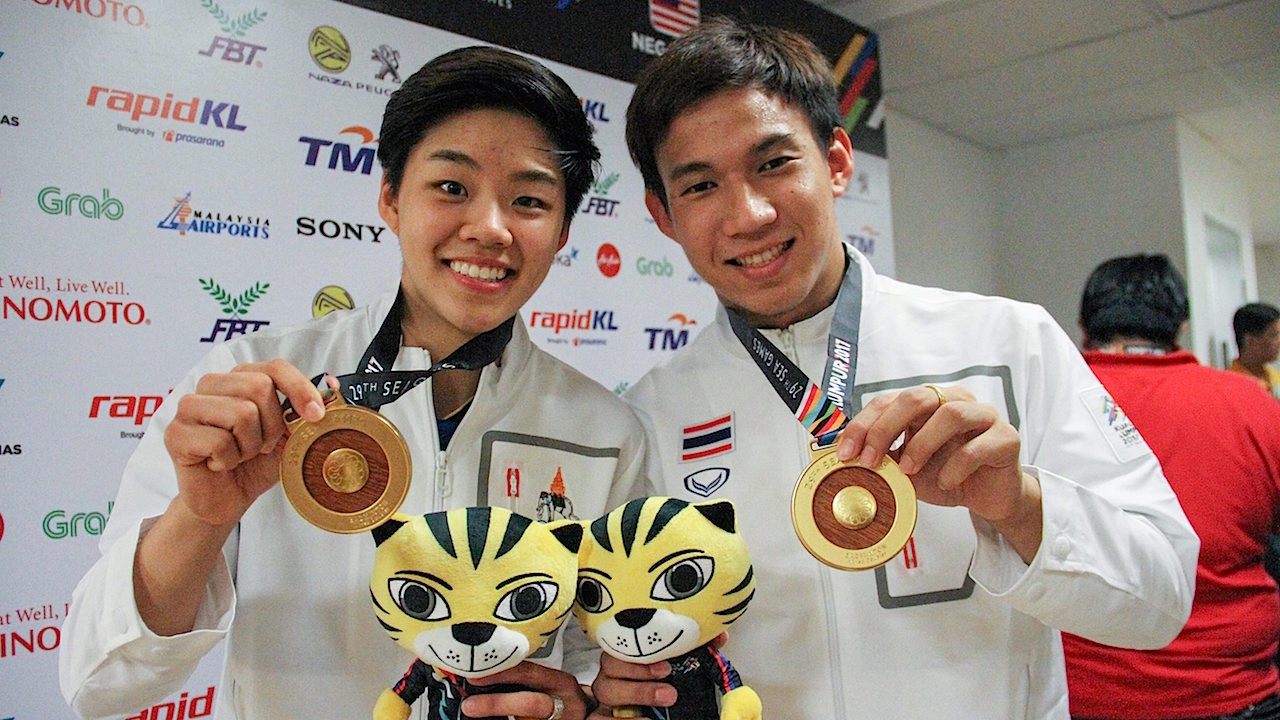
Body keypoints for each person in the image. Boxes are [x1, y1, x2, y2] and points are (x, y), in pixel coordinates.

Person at [605, 17, 1198, 719]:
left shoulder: (1007, 342)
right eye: (701, 186)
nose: (749, 214)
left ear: (836, 163)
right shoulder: (650, 415)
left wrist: (1020, 507)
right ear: (663, 215)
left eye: (774, 164)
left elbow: (1162, 600)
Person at [59, 46, 642, 720]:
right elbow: (100, 682)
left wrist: (584, 704)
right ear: (391, 197)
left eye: (529, 201)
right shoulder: (249, 390)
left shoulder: (605, 432)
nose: (489, 228)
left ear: (564, 230)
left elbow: (600, 657)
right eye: (451, 187)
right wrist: (203, 515)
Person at [1061, 254, 1280, 720]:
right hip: (1231, 689)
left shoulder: (1042, 403)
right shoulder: (1252, 404)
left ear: (1083, 326)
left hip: (1080, 694)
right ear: (1181, 325)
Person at [1229, 302, 1280, 399]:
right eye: (1273, 335)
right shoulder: (1232, 384)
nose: (1278, 342)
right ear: (1250, 340)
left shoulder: (1276, 378)